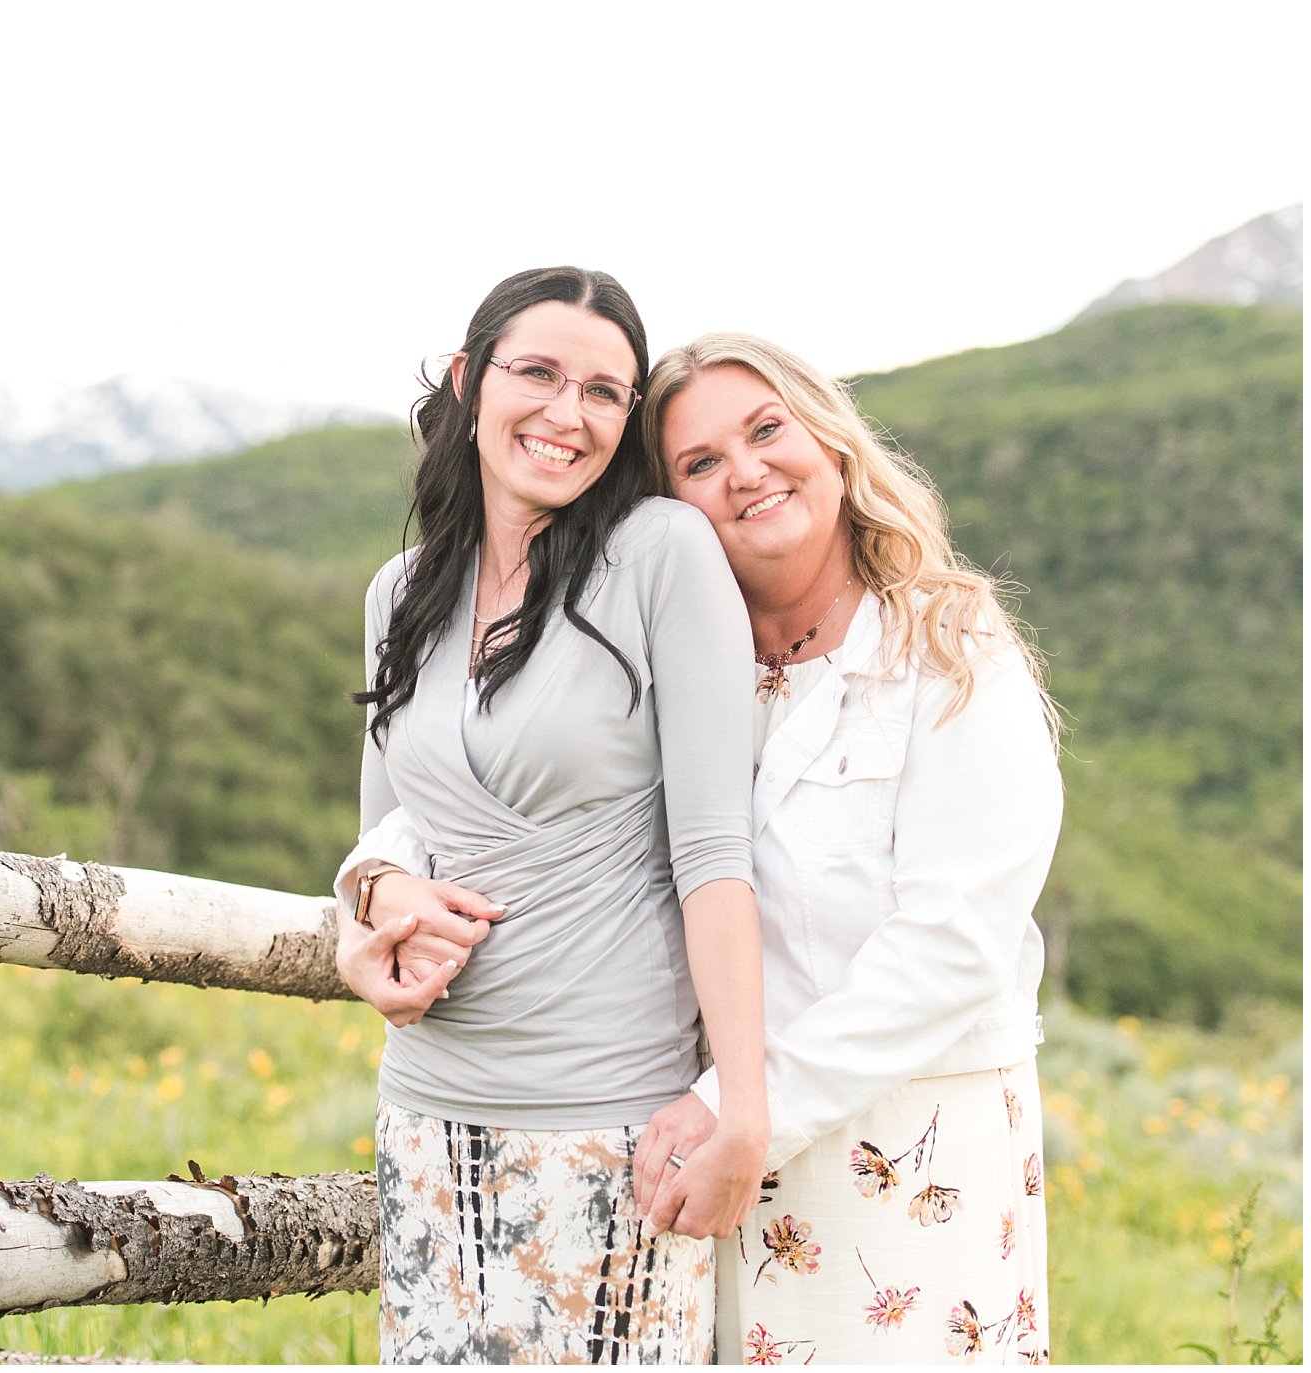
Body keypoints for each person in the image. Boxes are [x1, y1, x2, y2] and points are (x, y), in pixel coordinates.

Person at [344, 331, 1063, 1364]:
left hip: (903, 1149)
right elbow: (483, 795)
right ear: (666, 501)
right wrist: (366, 888)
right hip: (698, 1152)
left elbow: (951, 945)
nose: (745, 473)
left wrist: (738, 1109)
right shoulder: (656, 647)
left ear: (831, 440)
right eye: (699, 463)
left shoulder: (948, 651)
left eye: (764, 431)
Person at [330, 267, 770, 1364]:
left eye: (603, 392)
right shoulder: (400, 591)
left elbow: (714, 850)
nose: (565, 414)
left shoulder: (662, 554)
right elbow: (383, 837)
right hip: (426, 1110)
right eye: (537, 373)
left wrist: (744, 1107)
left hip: (611, 1117)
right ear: (470, 379)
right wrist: (369, 915)